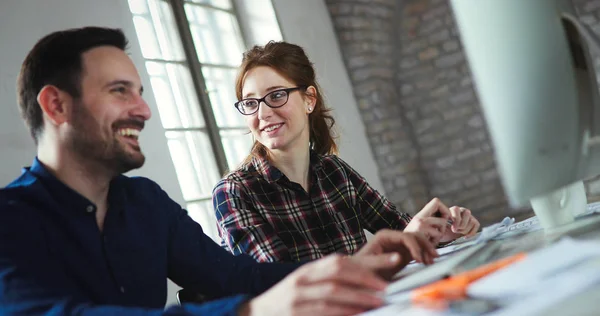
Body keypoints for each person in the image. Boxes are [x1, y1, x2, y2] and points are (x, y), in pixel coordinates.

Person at [0, 27, 439, 316]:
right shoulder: (10, 219)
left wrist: (352, 264)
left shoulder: (146, 203)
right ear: (56, 105)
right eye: (120, 91)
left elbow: (236, 276)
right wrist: (253, 311)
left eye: (140, 92)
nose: (143, 110)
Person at [213, 41, 481, 263]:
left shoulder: (335, 172)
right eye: (250, 102)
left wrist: (442, 230)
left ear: (309, 99)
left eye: (276, 95)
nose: (263, 113)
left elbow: (402, 230)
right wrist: (400, 245)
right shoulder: (234, 193)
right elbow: (286, 285)